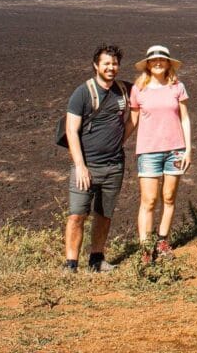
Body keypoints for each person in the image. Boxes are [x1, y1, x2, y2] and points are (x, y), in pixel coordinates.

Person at [63, 44, 132, 273]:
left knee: (104, 215)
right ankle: (71, 264)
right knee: (77, 214)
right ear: (96, 66)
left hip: (114, 165)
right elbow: (71, 130)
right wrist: (80, 166)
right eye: (106, 64)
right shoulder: (82, 93)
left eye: (114, 64)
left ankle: (97, 258)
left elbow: (146, 94)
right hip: (87, 167)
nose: (111, 68)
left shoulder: (123, 90)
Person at [130, 45, 191, 263]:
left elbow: (184, 118)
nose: (158, 63)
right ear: (147, 64)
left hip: (175, 149)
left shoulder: (177, 86)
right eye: (154, 60)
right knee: (149, 200)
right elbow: (133, 120)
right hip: (148, 151)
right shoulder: (138, 89)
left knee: (169, 197)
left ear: (168, 63)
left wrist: (188, 149)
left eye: (162, 60)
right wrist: (115, 142)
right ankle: (146, 248)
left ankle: (163, 241)